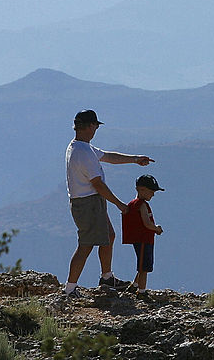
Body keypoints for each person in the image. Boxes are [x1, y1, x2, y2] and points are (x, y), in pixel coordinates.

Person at [64, 109, 154, 297]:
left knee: (109, 236)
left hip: (90, 202)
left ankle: (106, 277)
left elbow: (107, 156)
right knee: (86, 245)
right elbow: (98, 184)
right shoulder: (83, 153)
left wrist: (135, 159)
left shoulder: (81, 147)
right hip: (87, 203)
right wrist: (120, 204)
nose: (96, 128)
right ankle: (70, 288)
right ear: (90, 126)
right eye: (95, 125)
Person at [121, 174, 165, 294]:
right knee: (144, 267)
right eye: (151, 191)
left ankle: (134, 285)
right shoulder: (141, 205)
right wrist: (156, 229)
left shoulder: (133, 204)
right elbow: (146, 223)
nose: (153, 194)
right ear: (141, 190)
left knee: (142, 264)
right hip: (143, 239)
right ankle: (142, 292)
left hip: (144, 239)